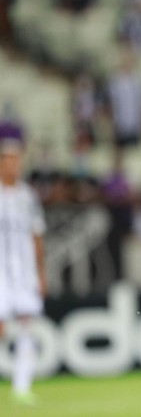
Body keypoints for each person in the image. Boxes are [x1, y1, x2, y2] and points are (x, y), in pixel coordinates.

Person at [0, 138, 47, 405]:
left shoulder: (27, 196)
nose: (13, 165)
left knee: (27, 327)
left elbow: (37, 234)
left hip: (24, 273)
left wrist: (41, 273)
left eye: (17, 160)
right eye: (8, 160)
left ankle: (21, 387)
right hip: (0, 275)